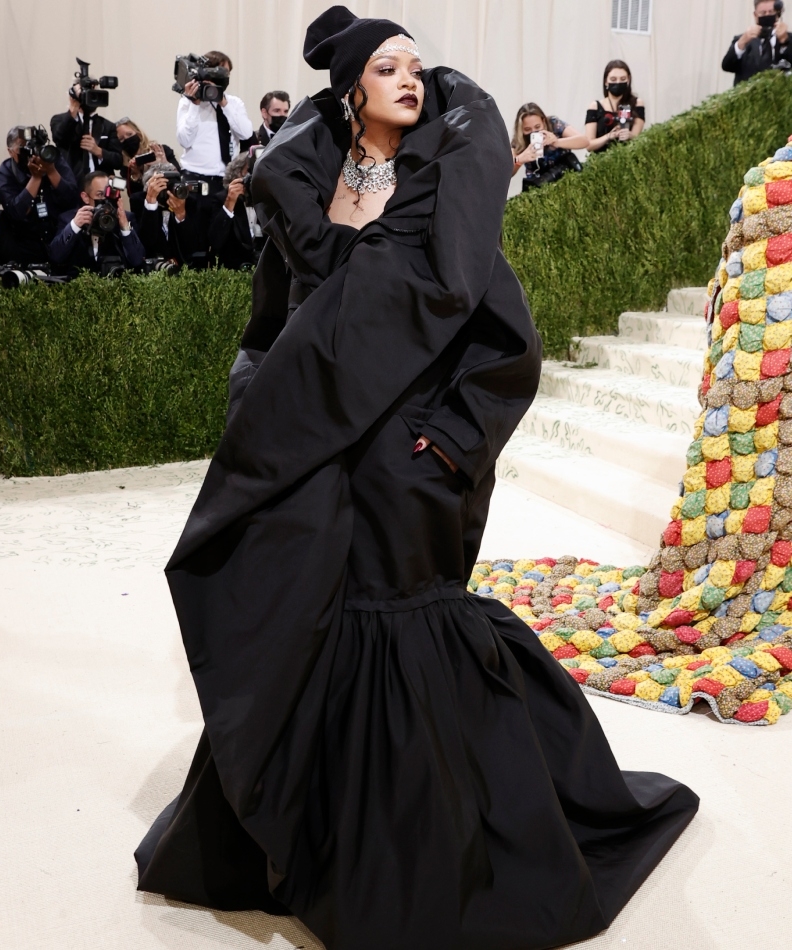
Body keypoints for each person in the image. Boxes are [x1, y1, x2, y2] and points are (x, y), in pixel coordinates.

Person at [134, 8, 698, 950]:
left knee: (401, 613)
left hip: (408, 449)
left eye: (416, 64)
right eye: (387, 67)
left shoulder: (445, 183)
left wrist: (447, 439)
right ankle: (302, 837)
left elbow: (503, 332)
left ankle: (418, 852)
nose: (410, 77)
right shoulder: (308, 182)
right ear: (352, 87)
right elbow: (276, 319)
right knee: (303, 614)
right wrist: (256, 410)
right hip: (316, 441)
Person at [175, 50, 254, 201]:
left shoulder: (235, 103)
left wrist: (223, 102)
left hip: (225, 180)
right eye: (220, 72)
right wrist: (194, 104)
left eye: (227, 74)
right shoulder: (186, 103)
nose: (224, 78)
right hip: (195, 178)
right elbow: (184, 140)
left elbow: (246, 133)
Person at [0, 127, 79, 264]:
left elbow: (71, 198)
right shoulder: (5, 172)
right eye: (24, 147)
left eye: (36, 146)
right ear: (11, 151)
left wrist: (51, 171)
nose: (32, 152)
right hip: (26, 240)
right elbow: (16, 212)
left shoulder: (53, 159)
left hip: (59, 234)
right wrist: (36, 178)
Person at [48, 170, 145, 276]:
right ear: (85, 197)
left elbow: (137, 261)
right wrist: (74, 225)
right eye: (100, 195)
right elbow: (55, 257)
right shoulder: (68, 219)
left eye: (109, 194)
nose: (105, 200)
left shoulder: (125, 218)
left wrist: (125, 227)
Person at [50, 78, 123, 189]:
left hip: (101, 188)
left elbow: (118, 161)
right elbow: (60, 138)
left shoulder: (108, 126)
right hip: (72, 186)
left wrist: (98, 151)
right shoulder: (59, 120)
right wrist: (74, 107)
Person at [137, 162, 207, 266]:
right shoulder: (139, 200)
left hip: (184, 268)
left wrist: (181, 214)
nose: (167, 190)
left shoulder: (190, 202)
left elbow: (194, 247)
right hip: (153, 268)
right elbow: (146, 243)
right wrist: (151, 203)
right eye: (161, 185)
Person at [511, 103, 588, 191]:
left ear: (543, 122)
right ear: (521, 129)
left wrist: (557, 142)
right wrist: (519, 160)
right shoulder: (519, 140)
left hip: (566, 176)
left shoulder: (553, 124)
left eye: (537, 127)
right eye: (527, 129)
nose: (534, 132)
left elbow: (585, 141)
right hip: (540, 185)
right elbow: (507, 173)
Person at [208, 152, 264, 269]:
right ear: (237, 175)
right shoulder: (222, 199)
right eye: (249, 172)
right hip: (234, 268)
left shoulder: (266, 198)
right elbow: (215, 241)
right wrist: (230, 203)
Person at [723, 0, 790, 85]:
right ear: (755, 15)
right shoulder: (743, 39)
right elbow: (726, 66)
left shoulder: (788, 38)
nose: (767, 15)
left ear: (778, 14)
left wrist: (784, 41)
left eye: (771, 12)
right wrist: (742, 42)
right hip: (748, 96)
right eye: (763, 13)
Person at [585, 60, 645, 154]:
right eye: (613, 79)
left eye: (622, 79)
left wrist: (630, 135)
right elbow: (589, 145)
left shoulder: (637, 103)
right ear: (606, 81)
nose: (618, 83)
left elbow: (638, 137)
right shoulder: (595, 106)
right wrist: (609, 136)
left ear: (628, 80)